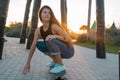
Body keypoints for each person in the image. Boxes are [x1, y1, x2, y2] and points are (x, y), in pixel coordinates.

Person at [22, 5, 74, 74]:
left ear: (51, 16)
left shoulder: (54, 26)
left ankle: (60, 65)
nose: (47, 14)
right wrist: (28, 63)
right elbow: (33, 46)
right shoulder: (38, 30)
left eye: (49, 13)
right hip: (59, 50)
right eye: (45, 12)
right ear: (40, 15)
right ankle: (56, 61)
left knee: (50, 40)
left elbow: (69, 39)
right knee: (39, 44)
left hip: (68, 51)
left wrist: (55, 36)